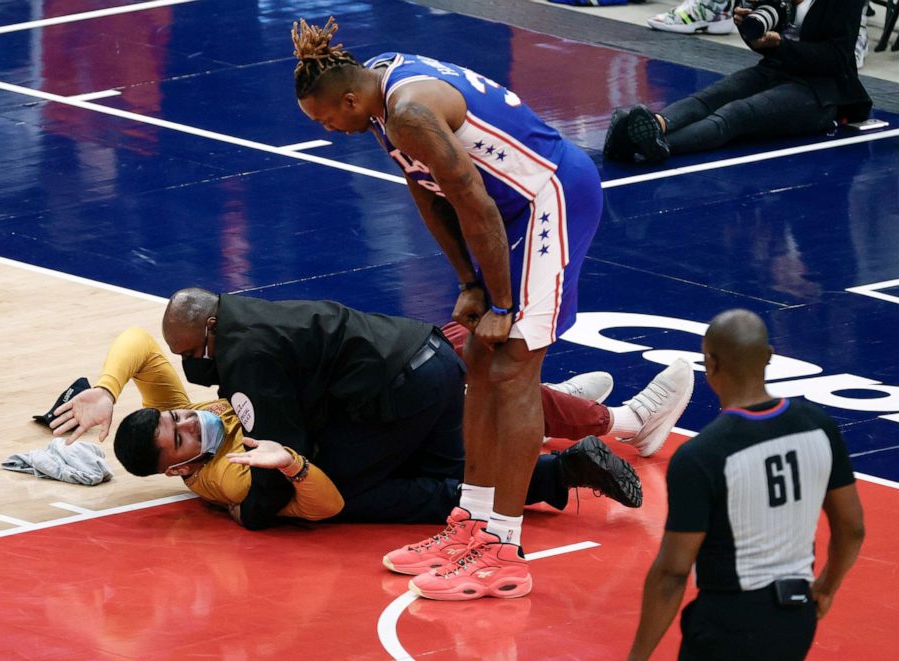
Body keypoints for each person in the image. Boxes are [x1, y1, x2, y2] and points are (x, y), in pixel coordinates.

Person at [290, 17, 694, 600]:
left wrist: (501, 299)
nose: (330, 129)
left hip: (547, 200)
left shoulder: (407, 112)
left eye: (328, 119)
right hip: (504, 212)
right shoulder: (380, 96)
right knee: (477, 358)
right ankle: (471, 522)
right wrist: (468, 283)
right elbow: (429, 195)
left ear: (350, 99)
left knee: (512, 369)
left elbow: (473, 200)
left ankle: (504, 547)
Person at [50, 292, 657, 530]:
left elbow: (305, 478)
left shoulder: (244, 364)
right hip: (420, 355)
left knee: (381, 488)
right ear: (177, 470)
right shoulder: (216, 466)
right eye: (180, 433)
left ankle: (590, 442)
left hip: (400, 385)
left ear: (209, 328)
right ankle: (567, 458)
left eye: (177, 415)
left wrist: (106, 388)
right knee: (456, 463)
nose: (187, 414)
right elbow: (295, 465)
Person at [628, 309, 865, 660]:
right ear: (769, 356)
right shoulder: (819, 426)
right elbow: (853, 528)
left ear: (710, 364)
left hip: (729, 624)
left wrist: (637, 656)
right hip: (797, 617)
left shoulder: (702, 455)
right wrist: (826, 587)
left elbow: (672, 573)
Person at [605, 0, 872, 164]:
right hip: (778, 67)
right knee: (709, 97)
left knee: (736, 114)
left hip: (824, 91)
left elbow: (838, 58)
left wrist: (780, 46)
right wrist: (750, 28)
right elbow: (764, 38)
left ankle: (654, 144)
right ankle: (655, 125)